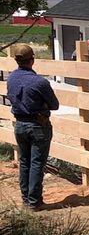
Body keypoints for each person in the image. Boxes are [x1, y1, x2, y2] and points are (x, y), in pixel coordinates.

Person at [6, 43, 59, 210]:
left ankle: (26, 199)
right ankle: (34, 201)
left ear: (17, 60)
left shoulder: (12, 78)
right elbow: (54, 104)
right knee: (36, 163)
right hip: (38, 125)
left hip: (20, 124)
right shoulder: (40, 82)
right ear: (32, 60)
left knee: (24, 161)